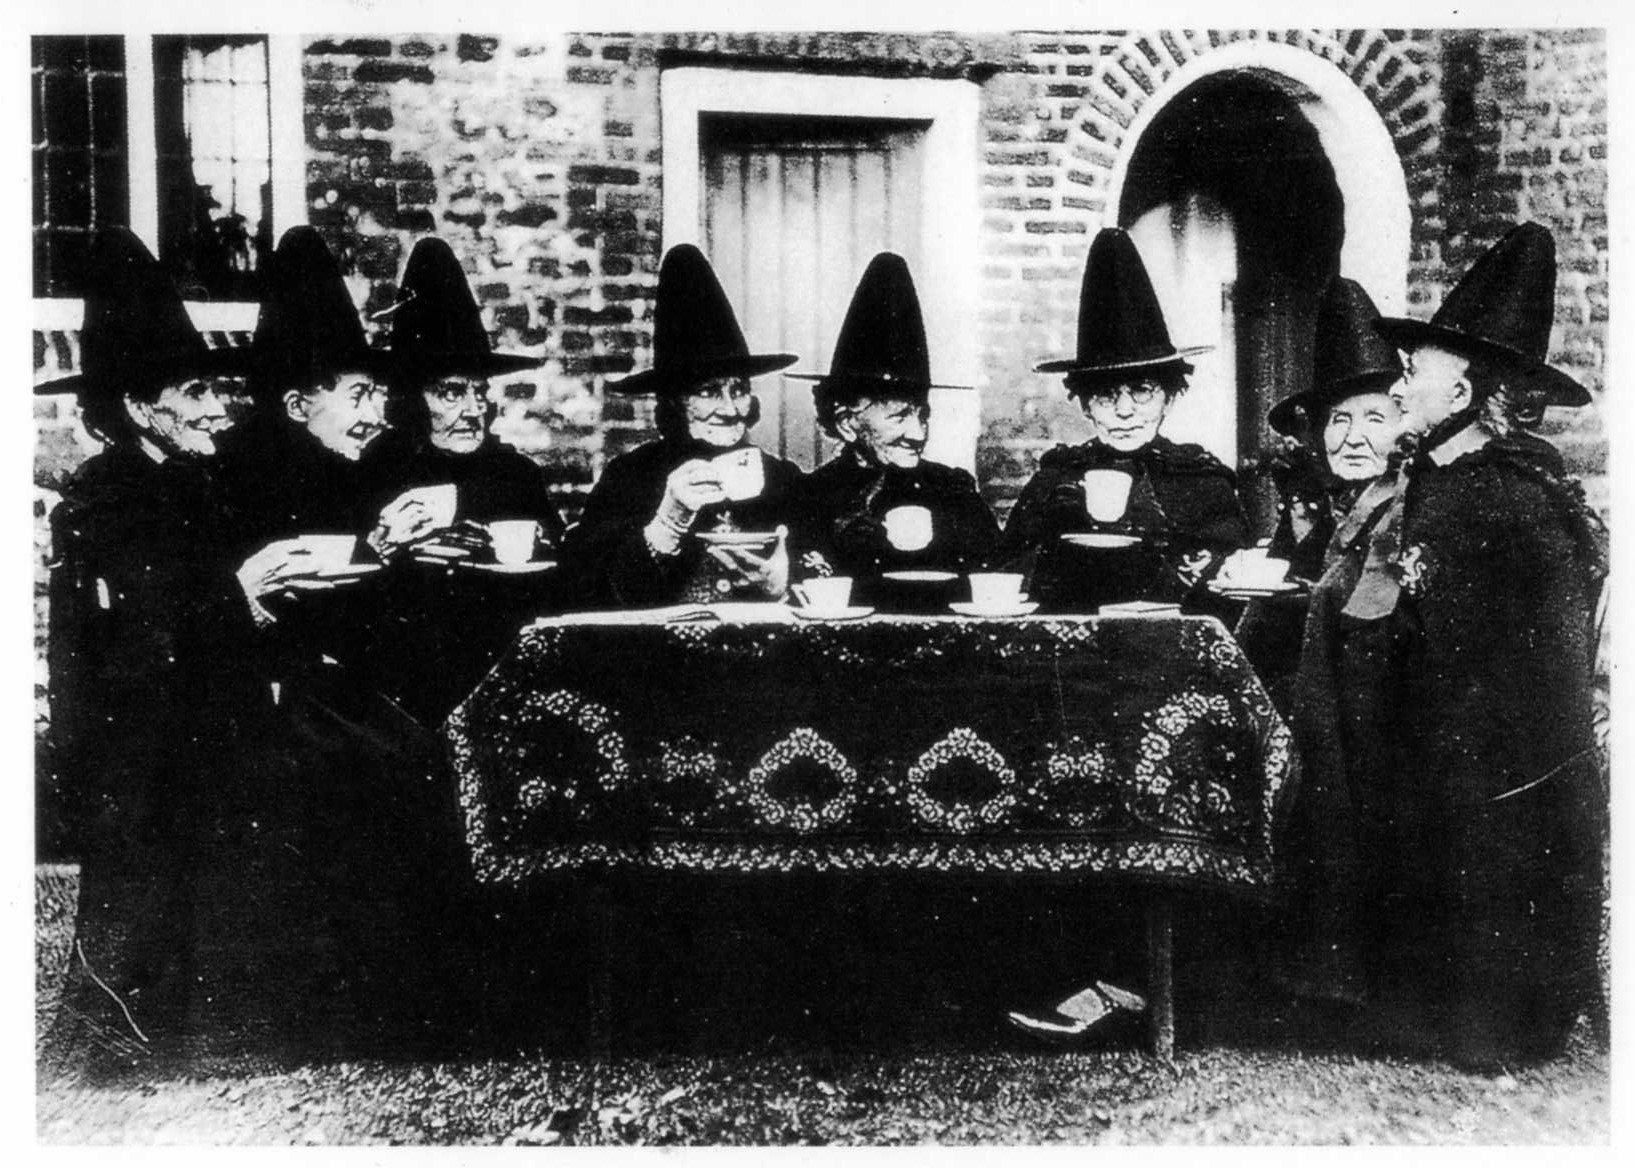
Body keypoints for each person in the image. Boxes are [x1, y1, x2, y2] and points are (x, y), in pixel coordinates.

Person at [1295, 222, 1606, 1070]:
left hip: (1505, 787)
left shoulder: (1498, 502)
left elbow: (1491, 673)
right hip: (1460, 759)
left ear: (1462, 395)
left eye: (1413, 374)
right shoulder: (1445, 483)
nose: (1398, 386)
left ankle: (1475, 1009)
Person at [41, 230, 297, 1064]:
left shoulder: (191, 482)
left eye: (216, 388)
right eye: (196, 391)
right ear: (141, 408)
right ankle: (120, 1046)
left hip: (192, 731)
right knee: (139, 908)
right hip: (138, 746)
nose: (218, 407)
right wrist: (241, 596)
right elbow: (145, 632)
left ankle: (201, 1035)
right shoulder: (110, 498)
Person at [358, 235, 564, 722]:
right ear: (413, 399)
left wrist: (458, 501)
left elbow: (563, 573)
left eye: (479, 392)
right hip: (400, 696)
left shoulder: (514, 473)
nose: (474, 410)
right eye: (452, 393)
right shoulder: (375, 469)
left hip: (507, 688)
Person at [1000, 228, 1247, 614]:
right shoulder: (1053, 481)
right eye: (1105, 395)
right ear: (1085, 406)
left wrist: (1158, 541)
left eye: (1143, 391)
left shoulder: (1204, 483)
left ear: (1169, 398)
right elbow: (1006, 582)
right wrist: (1053, 541)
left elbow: (1229, 600)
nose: (1125, 410)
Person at [563, 244, 805, 606]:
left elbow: (829, 577)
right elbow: (584, 593)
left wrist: (783, 587)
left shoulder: (783, 480)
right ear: (674, 402)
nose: (730, 409)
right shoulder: (628, 478)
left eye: (739, 390)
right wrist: (667, 524)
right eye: (709, 392)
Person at [1233, 276, 1403, 710]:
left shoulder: (1406, 508)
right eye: (1339, 420)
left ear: (1404, 429)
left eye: (1374, 419)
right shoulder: (1318, 507)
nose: (1353, 438)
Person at [790, 252, 999, 600]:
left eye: (923, 415)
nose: (918, 434)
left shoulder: (955, 493)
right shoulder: (812, 498)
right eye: (899, 416)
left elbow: (997, 582)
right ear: (847, 423)